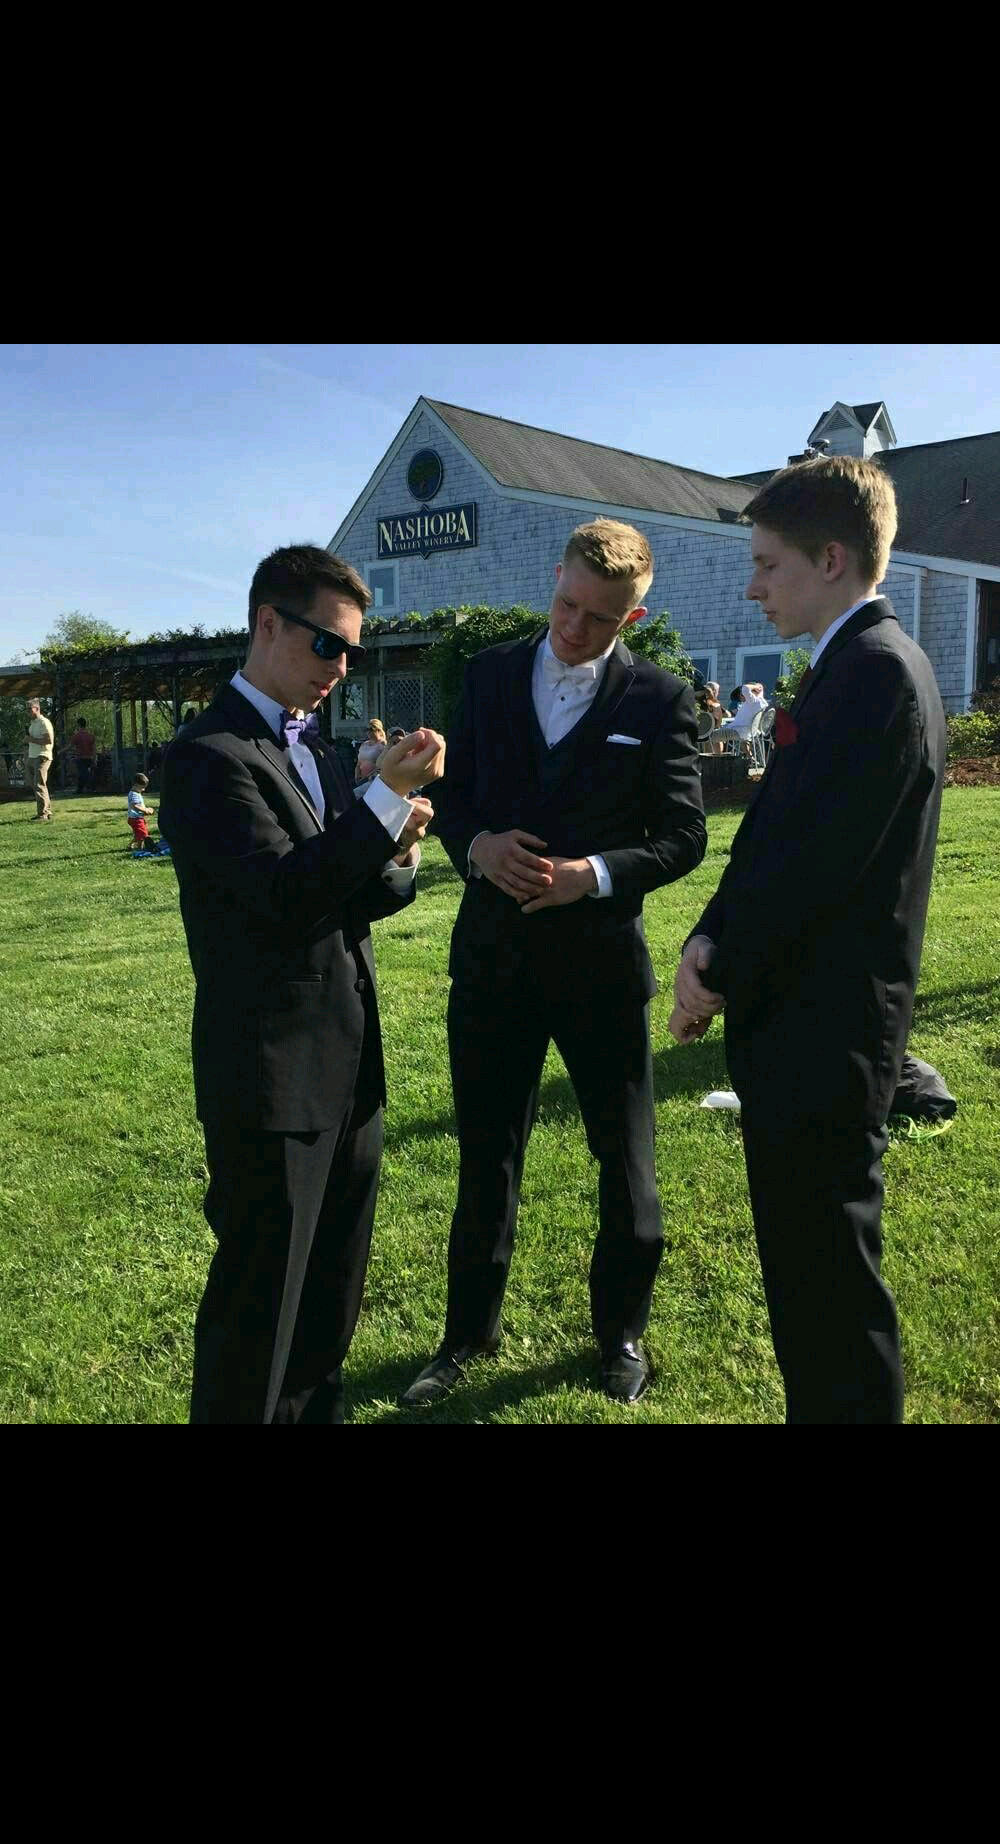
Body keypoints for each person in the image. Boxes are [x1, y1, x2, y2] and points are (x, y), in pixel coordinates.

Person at [400, 516, 706, 1410]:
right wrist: (477, 845)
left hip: (599, 970)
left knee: (626, 1158)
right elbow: (454, 797)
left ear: (632, 619)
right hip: (492, 964)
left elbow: (684, 835)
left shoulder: (659, 699)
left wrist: (594, 875)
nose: (575, 628)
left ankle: (621, 1336)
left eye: (600, 618)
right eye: (568, 605)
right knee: (486, 1157)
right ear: (556, 580)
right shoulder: (490, 674)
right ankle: (466, 1336)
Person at [669, 455, 945, 1425]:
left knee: (830, 1292)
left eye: (767, 564)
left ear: (831, 560)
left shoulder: (877, 674)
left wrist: (718, 971)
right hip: (805, 1029)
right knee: (808, 1282)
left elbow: (819, 869)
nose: (754, 586)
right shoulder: (850, 668)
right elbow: (770, 838)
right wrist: (707, 934)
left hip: (827, 1033)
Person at [160, 542, 445, 1424]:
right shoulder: (209, 756)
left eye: (352, 650)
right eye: (328, 644)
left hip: (347, 1069)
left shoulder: (310, 750)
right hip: (271, 1080)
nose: (342, 666)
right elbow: (280, 899)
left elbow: (346, 892)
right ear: (267, 624)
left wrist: (398, 848)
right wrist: (381, 806)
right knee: (258, 1322)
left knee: (329, 1312)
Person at [26, 698, 55, 821]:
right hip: (32, 756)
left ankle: (43, 814)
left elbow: (48, 740)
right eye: (26, 709)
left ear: (37, 708)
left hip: (42, 755)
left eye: (30, 709)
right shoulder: (33, 723)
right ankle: (47, 811)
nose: (27, 712)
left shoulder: (44, 722)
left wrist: (31, 740)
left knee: (39, 784)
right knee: (37, 784)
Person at [126, 773, 155, 850]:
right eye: (142, 787)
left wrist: (147, 809)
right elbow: (135, 806)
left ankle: (131, 845)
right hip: (136, 819)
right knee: (143, 834)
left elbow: (138, 805)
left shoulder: (136, 793)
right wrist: (145, 810)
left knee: (139, 834)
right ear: (136, 785)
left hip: (138, 818)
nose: (143, 790)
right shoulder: (134, 794)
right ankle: (140, 848)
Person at [70, 716, 96, 794]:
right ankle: (88, 788)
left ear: (78, 725)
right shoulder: (90, 735)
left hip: (80, 757)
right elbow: (94, 748)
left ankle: (80, 789)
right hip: (89, 757)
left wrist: (60, 751)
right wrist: (94, 758)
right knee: (87, 773)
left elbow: (70, 746)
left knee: (80, 773)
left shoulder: (76, 736)